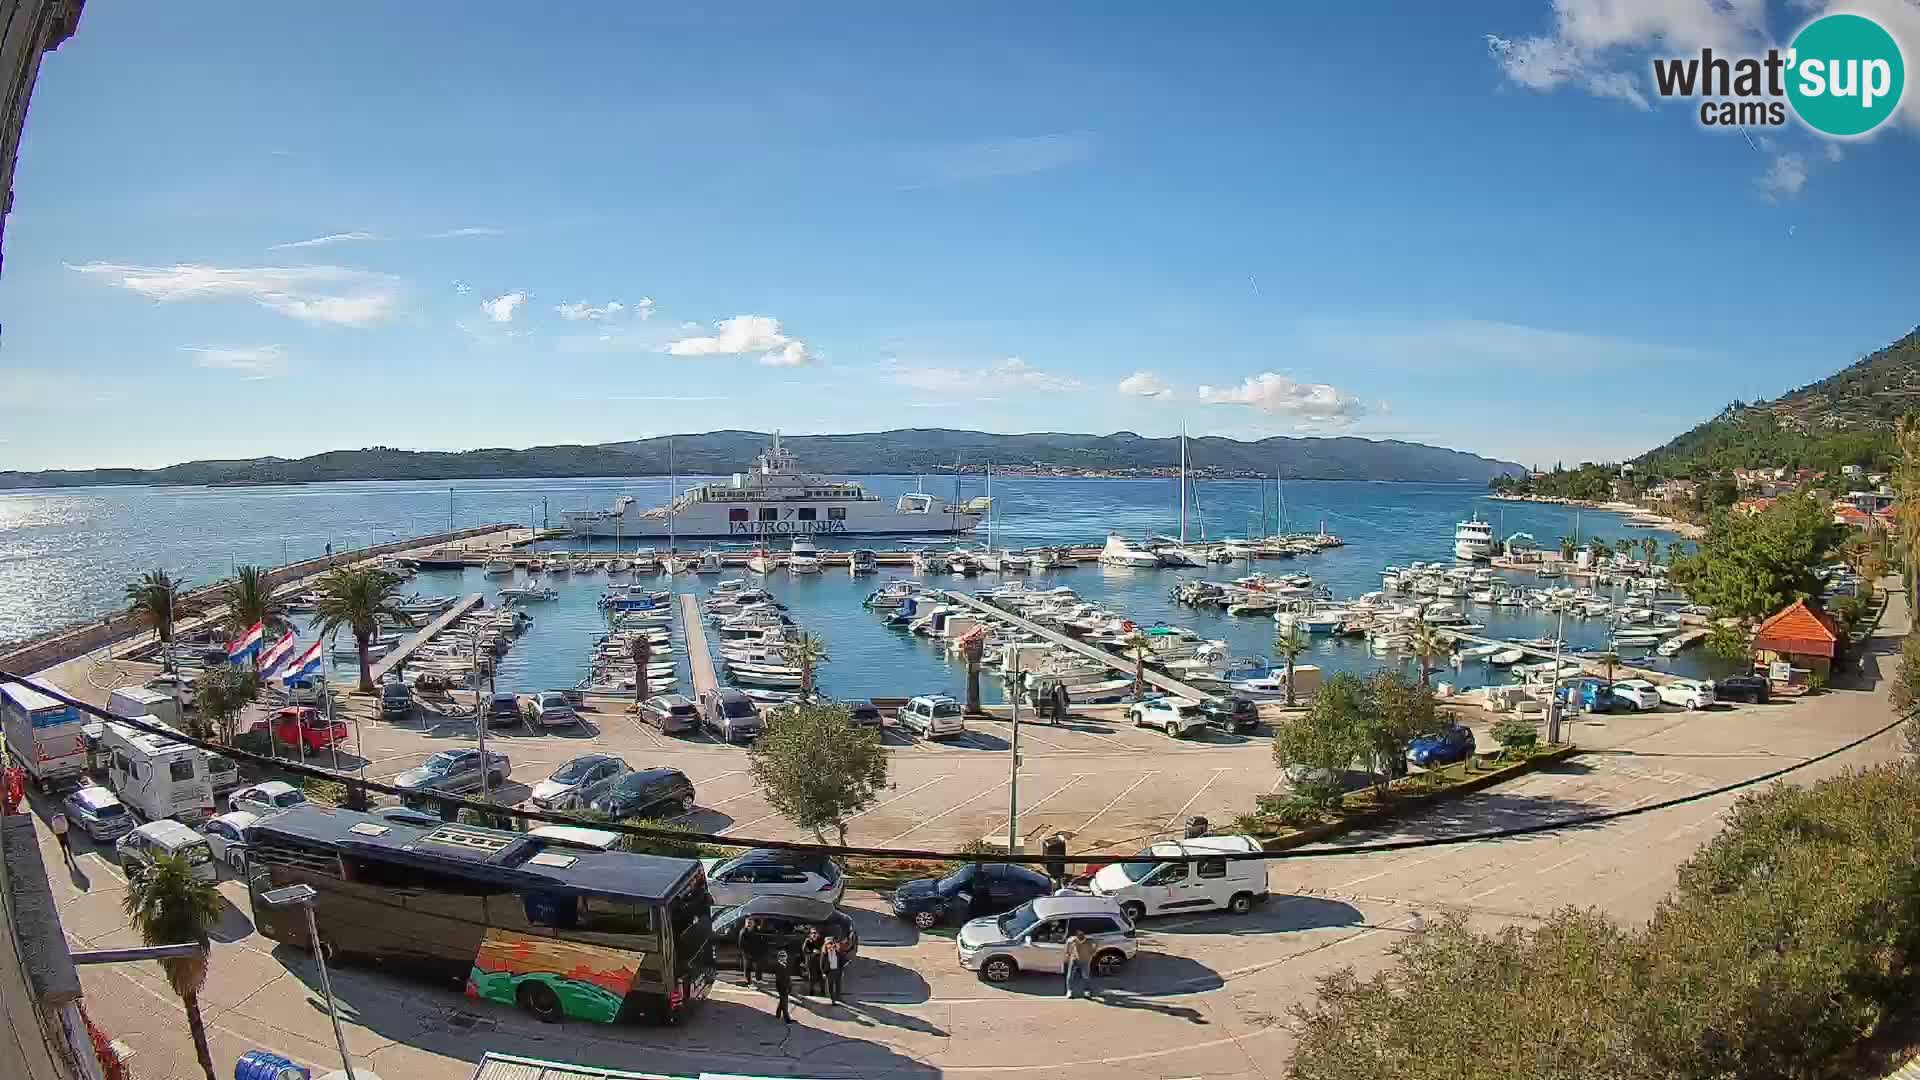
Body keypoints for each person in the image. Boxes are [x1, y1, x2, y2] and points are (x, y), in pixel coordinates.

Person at [1064, 928, 1095, 999]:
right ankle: (1069, 991)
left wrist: (1093, 952)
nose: (1080, 939)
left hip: (1085, 960)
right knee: (1070, 976)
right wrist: (1067, 953)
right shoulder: (1072, 940)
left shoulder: (1089, 940)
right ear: (1076, 936)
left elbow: (1096, 943)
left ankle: (1086, 991)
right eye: (1079, 937)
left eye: (1082, 937)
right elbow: (1067, 942)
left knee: (1086, 976)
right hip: (1074, 959)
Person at [739, 917, 765, 986]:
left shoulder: (757, 930)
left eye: (751, 922)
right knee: (747, 967)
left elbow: (761, 941)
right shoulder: (743, 931)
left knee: (758, 967)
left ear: (754, 923)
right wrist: (746, 953)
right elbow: (741, 944)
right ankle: (748, 981)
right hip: (747, 952)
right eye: (748, 923)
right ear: (746, 924)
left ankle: (758, 979)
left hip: (756, 952)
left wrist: (761, 950)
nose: (749, 924)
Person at [802, 927, 826, 997]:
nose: (814, 934)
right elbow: (804, 950)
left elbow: (825, 950)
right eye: (812, 933)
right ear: (810, 934)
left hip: (820, 961)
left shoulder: (822, 941)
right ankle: (811, 990)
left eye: (815, 933)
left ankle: (823, 990)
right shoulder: (808, 941)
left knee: (821, 976)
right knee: (812, 977)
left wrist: (821, 951)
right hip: (811, 961)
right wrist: (812, 952)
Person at [772, 949, 794, 1023]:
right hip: (781, 986)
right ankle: (787, 1018)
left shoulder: (787, 964)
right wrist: (784, 986)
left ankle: (778, 1013)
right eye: (781, 956)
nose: (783, 957)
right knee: (785, 1002)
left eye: (784, 956)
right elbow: (779, 978)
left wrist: (790, 985)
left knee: (783, 1000)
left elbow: (788, 976)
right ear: (779, 957)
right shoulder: (777, 965)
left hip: (787, 985)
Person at [823, 936, 844, 1004]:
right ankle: (832, 998)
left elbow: (841, 962)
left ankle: (838, 996)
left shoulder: (837, 953)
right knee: (830, 985)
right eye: (828, 944)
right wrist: (823, 972)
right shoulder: (825, 954)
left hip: (837, 971)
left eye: (831, 944)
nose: (830, 946)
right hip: (829, 972)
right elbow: (822, 964)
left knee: (838, 984)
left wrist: (841, 971)